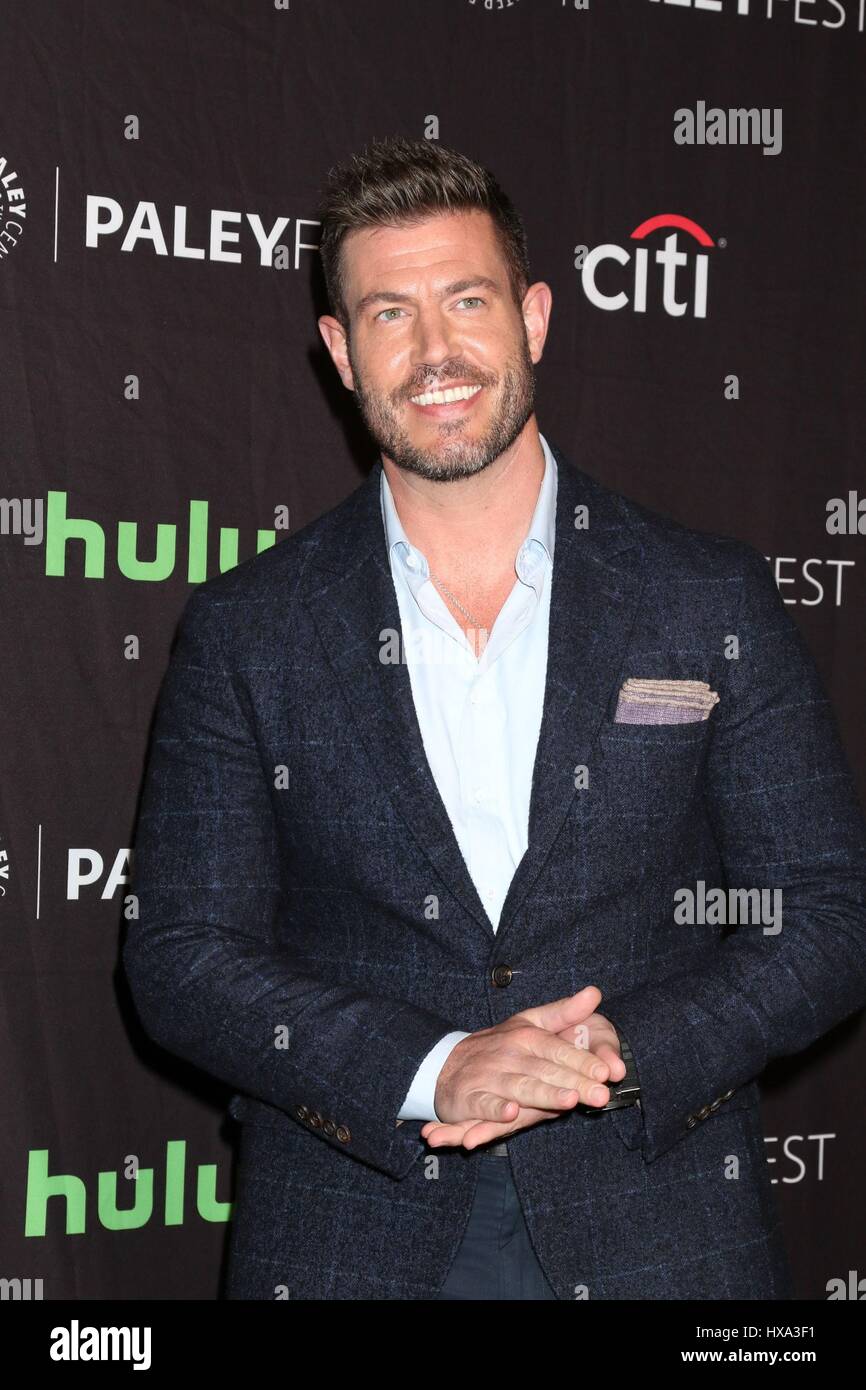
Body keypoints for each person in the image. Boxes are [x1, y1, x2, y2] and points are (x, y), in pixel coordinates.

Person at [124, 136, 866, 1300]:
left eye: (465, 300)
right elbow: (178, 955)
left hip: (658, 1227)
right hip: (348, 1235)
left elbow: (827, 912)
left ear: (532, 316)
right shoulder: (247, 627)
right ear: (337, 350)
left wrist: (610, 1057)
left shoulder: (701, 596)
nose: (433, 353)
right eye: (387, 314)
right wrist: (433, 1067)